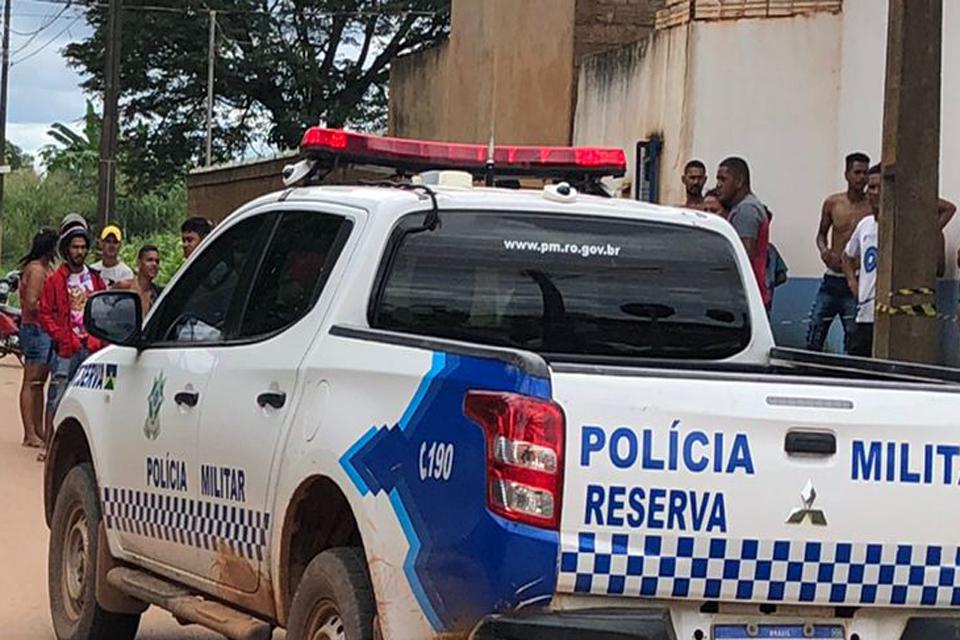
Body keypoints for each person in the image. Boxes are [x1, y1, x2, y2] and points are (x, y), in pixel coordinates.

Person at [38, 224, 106, 459]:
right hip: (66, 349)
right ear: (67, 250)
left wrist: (97, 339)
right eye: (75, 247)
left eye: (83, 247)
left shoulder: (95, 279)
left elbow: (104, 310)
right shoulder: (55, 280)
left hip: (92, 347)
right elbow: (45, 313)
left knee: (92, 398)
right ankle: (49, 447)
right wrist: (62, 337)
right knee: (57, 396)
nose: (80, 251)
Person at [807, 152, 871, 351]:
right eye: (857, 172)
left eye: (865, 173)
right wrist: (824, 251)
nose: (862, 178)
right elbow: (821, 235)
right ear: (847, 174)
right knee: (816, 328)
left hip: (857, 279)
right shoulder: (833, 203)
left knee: (853, 335)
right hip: (832, 278)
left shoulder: (872, 206)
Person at [16, 229, 58, 448]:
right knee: (31, 381)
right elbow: (32, 303)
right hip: (35, 329)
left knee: (39, 382)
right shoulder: (37, 270)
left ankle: (38, 429)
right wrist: (53, 310)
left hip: (41, 329)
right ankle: (29, 432)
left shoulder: (43, 268)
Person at [715, 157, 771, 307]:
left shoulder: (746, 210)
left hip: (746, 298)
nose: (718, 185)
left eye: (723, 179)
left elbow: (744, 255)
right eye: (717, 179)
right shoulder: (743, 207)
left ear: (739, 181)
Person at [842, 164, 881, 357]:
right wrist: (852, 282)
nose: (875, 193)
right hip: (865, 314)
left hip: (889, 316)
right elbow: (847, 256)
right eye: (871, 188)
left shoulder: (901, 227)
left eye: (879, 188)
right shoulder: (865, 225)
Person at [117, 245, 163, 315]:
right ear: (139, 263)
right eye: (149, 260)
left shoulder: (158, 294)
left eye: (157, 261)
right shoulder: (124, 287)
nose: (154, 264)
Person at [764, 208, 789, 313]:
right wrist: (768, 285)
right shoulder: (771, 250)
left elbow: (782, 277)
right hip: (766, 298)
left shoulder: (744, 247)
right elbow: (782, 276)